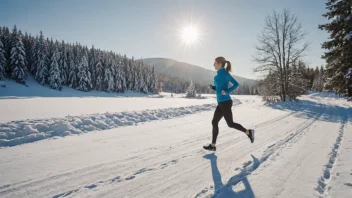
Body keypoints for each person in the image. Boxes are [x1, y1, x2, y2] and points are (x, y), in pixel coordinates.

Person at [203, 57, 254, 151]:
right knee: (214, 122)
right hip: (220, 103)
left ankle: (248, 132)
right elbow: (219, 88)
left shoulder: (225, 74)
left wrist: (227, 91)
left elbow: (236, 84)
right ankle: (213, 145)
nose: (213, 65)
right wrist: (213, 87)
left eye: (214, 63)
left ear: (219, 64)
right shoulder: (217, 75)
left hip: (226, 102)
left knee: (230, 124)